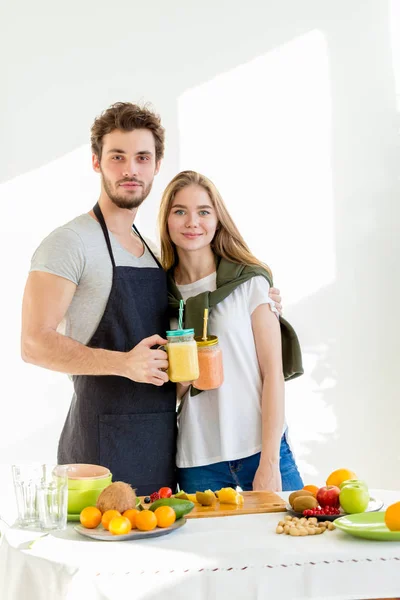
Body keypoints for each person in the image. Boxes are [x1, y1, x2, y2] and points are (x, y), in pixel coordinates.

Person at [20, 102, 283, 496]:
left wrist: (260, 295)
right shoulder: (70, 243)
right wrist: (124, 363)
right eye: (117, 157)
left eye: (142, 157)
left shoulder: (153, 254)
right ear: (96, 162)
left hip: (164, 452)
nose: (130, 170)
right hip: (98, 451)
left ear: (156, 165)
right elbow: (33, 344)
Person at [158, 170, 304, 492]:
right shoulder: (159, 295)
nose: (192, 222)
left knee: (288, 539)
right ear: (167, 221)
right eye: (180, 211)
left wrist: (269, 462)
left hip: (260, 449)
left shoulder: (250, 282)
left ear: (217, 220)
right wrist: (185, 371)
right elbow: (168, 392)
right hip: (198, 459)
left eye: (203, 212)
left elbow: (273, 375)